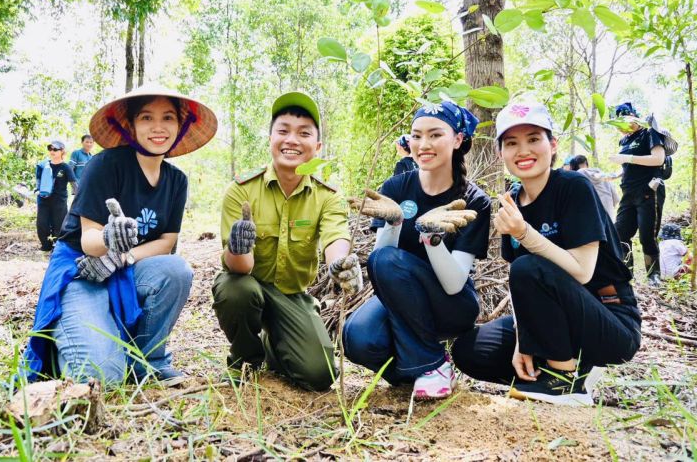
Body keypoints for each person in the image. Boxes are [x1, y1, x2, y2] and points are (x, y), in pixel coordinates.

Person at [22, 85, 217, 385]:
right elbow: (88, 239)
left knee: (176, 271)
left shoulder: (176, 180)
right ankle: (79, 340)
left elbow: (167, 243)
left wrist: (122, 257)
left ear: (180, 126)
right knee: (102, 376)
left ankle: (147, 360)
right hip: (82, 270)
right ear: (130, 126)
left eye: (168, 117)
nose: (158, 127)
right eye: (146, 118)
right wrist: (108, 241)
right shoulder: (105, 165)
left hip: (125, 268)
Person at [451, 102, 641, 406]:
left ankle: (566, 381)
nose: (523, 150)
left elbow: (582, 271)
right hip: (552, 321)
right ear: (501, 153)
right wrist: (525, 338)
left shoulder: (574, 187)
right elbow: (517, 280)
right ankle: (556, 370)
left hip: (609, 318)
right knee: (469, 350)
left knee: (530, 266)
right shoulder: (511, 200)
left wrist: (524, 232)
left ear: (552, 145)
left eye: (533, 139)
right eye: (512, 143)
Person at [212, 91, 361, 391]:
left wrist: (340, 264)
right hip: (247, 283)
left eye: (303, 133)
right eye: (283, 131)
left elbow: (335, 237)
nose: (291, 140)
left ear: (317, 146)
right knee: (235, 289)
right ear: (270, 139)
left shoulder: (327, 196)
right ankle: (245, 358)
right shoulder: (241, 191)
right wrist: (238, 248)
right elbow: (239, 267)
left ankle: (273, 343)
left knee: (320, 375)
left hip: (292, 296)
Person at [343, 101, 490, 400]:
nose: (424, 144)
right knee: (356, 338)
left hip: (451, 304)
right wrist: (395, 222)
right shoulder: (396, 187)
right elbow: (379, 264)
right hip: (400, 298)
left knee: (391, 261)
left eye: (436, 135)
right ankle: (419, 372)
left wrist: (432, 238)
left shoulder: (474, 199)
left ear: (458, 140)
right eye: (416, 135)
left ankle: (432, 363)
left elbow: (454, 283)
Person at [609, 102, 667, 286]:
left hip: (649, 191)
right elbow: (629, 167)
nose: (621, 128)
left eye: (624, 122)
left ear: (633, 117)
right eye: (618, 125)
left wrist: (627, 158)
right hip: (628, 192)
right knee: (620, 233)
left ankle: (653, 276)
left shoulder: (649, 133)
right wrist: (612, 175)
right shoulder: (624, 140)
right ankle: (626, 274)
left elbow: (658, 158)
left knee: (646, 235)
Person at [35, 141, 78, 251]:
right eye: (50, 149)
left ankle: (57, 246)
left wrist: (78, 198)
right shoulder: (43, 165)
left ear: (62, 151)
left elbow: (74, 184)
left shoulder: (65, 167)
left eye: (55, 149)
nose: (52, 151)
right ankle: (45, 245)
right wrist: (37, 191)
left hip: (59, 201)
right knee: (42, 223)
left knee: (59, 224)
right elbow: (38, 181)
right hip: (43, 199)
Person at [569, 155, 620, 220]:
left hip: (594, 211)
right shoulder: (602, 174)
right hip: (608, 210)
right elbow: (615, 198)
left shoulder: (579, 174)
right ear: (586, 163)